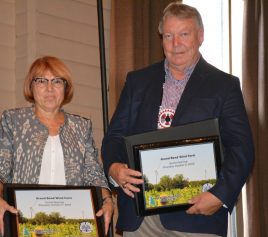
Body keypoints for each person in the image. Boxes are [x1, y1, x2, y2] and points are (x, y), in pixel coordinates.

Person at [101, 2, 254, 237]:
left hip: (197, 215)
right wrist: (114, 169)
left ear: (200, 36)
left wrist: (220, 195)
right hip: (140, 219)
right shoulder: (137, 82)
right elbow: (114, 137)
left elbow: (242, 150)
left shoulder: (224, 86)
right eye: (169, 35)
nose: (176, 44)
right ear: (161, 38)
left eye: (184, 34)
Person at [0, 56, 114, 237]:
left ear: (65, 88)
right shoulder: (13, 121)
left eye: (57, 81)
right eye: (41, 81)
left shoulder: (81, 127)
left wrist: (107, 200)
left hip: (70, 227)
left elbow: (94, 174)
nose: (50, 88)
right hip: (20, 224)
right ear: (31, 86)